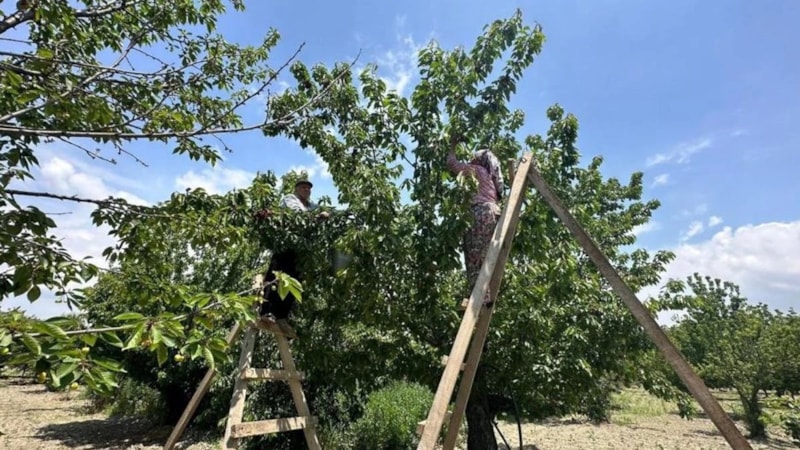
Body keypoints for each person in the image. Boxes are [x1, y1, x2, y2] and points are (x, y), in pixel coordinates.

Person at [259, 179, 329, 335]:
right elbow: (299, 216)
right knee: (275, 278)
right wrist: (318, 218)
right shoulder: (290, 199)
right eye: (303, 188)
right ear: (297, 189)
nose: (306, 190)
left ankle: (282, 316)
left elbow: (322, 215)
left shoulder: (312, 206)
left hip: (301, 251)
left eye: (308, 189)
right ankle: (266, 311)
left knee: (294, 283)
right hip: (286, 246)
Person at [446, 139, 504, 307]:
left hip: (481, 213)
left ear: (479, 161)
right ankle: (486, 294)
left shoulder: (477, 171)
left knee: (473, 255)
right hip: (494, 212)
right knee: (486, 254)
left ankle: (480, 296)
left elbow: (452, 164)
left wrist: (452, 145)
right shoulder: (491, 179)